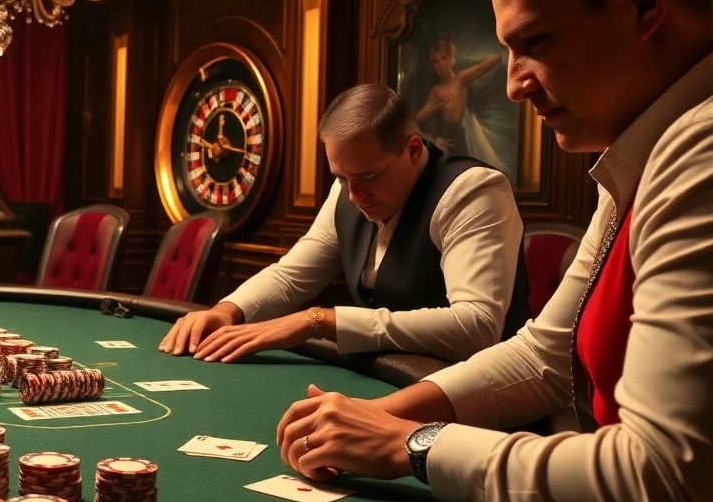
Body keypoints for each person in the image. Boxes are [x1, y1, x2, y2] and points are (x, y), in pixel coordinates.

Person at [274, 0, 713, 502]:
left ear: (641, 3)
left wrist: (412, 446)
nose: (512, 84)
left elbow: (663, 493)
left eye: (534, 43)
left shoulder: (702, 152)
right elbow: (545, 356)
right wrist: (388, 414)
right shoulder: (645, 151)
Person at [160, 83, 531, 364]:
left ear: (413, 150)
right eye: (341, 178)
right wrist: (226, 310)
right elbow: (290, 277)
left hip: (484, 401)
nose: (354, 195)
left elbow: (476, 327)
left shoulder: (472, 191)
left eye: (369, 176)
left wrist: (318, 320)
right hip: (395, 377)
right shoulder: (348, 192)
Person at [415, 37, 506, 168]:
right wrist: (435, 140)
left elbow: (490, 63)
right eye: (436, 62)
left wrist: (504, 50)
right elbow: (418, 119)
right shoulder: (436, 91)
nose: (441, 65)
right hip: (445, 139)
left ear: (452, 58)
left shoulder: (461, 79)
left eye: (444, 58)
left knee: (465, 171)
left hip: (460, 137)